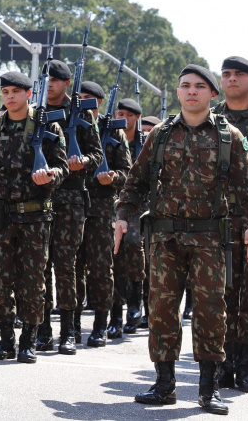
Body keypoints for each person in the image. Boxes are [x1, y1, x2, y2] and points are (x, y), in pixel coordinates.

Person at [115, 64, 248, 415]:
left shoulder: (229, 137)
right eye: (185, 86)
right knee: (161, 310)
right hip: (165, 238)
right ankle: (164, 385)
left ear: (212, 95)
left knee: (210, 312)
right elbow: (136, 182)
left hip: (210, 239)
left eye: (199, 87)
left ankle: (209, 389)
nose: (191, 91)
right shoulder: (159, 134)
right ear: (177, 92)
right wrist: (121, 217)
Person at [0, 72, 69, 363]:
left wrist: (49, 176)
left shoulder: (48, 127)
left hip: (35, 218)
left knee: (32, 281)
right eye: (6, 91)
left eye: (15, 91)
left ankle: (29, 340)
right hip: (1, 219)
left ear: (28, 94)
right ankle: (6, 339)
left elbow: (63, 169)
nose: (10, 96)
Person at [36, 60, 102, 355]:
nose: (49, 83)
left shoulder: (82, 112)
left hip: (72, 196)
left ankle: (68, 331)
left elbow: (97, 153)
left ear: (66, 83)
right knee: (40, 264)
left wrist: (84, 162)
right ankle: (42, 330)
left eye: (55, 79)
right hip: (40, 197)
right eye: (45, 78)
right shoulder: (34, 109)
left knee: (66, 264)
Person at [77, 82, 131, 347]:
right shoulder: (73, 126)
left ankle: (104, 322)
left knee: (101, 268)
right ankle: (72, 323)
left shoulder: (114, 131)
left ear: (98, 102)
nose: (83, 102)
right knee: (73, 267)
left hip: (102, 210)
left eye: (88, 99)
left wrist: (113, 177)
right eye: (80, 98)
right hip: (73, 206)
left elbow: (127, 172)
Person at [212, 56, 248, 392]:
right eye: (226, 74)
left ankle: (246, 365)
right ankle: (224, 365)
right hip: (220, 218)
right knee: (222, 292)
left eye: (239, 74)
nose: (232, 79)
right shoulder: (212, 120)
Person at [107, 97, 146, 338]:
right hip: (113, 204)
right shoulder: (110, 139)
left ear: (137, 118)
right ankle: (116, 315)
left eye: (129, 114)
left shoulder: (145, 142)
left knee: (132, 245)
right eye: (120, 113)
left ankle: (135, 298)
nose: (124, 118)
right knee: (114, 256)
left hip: (140, 206)